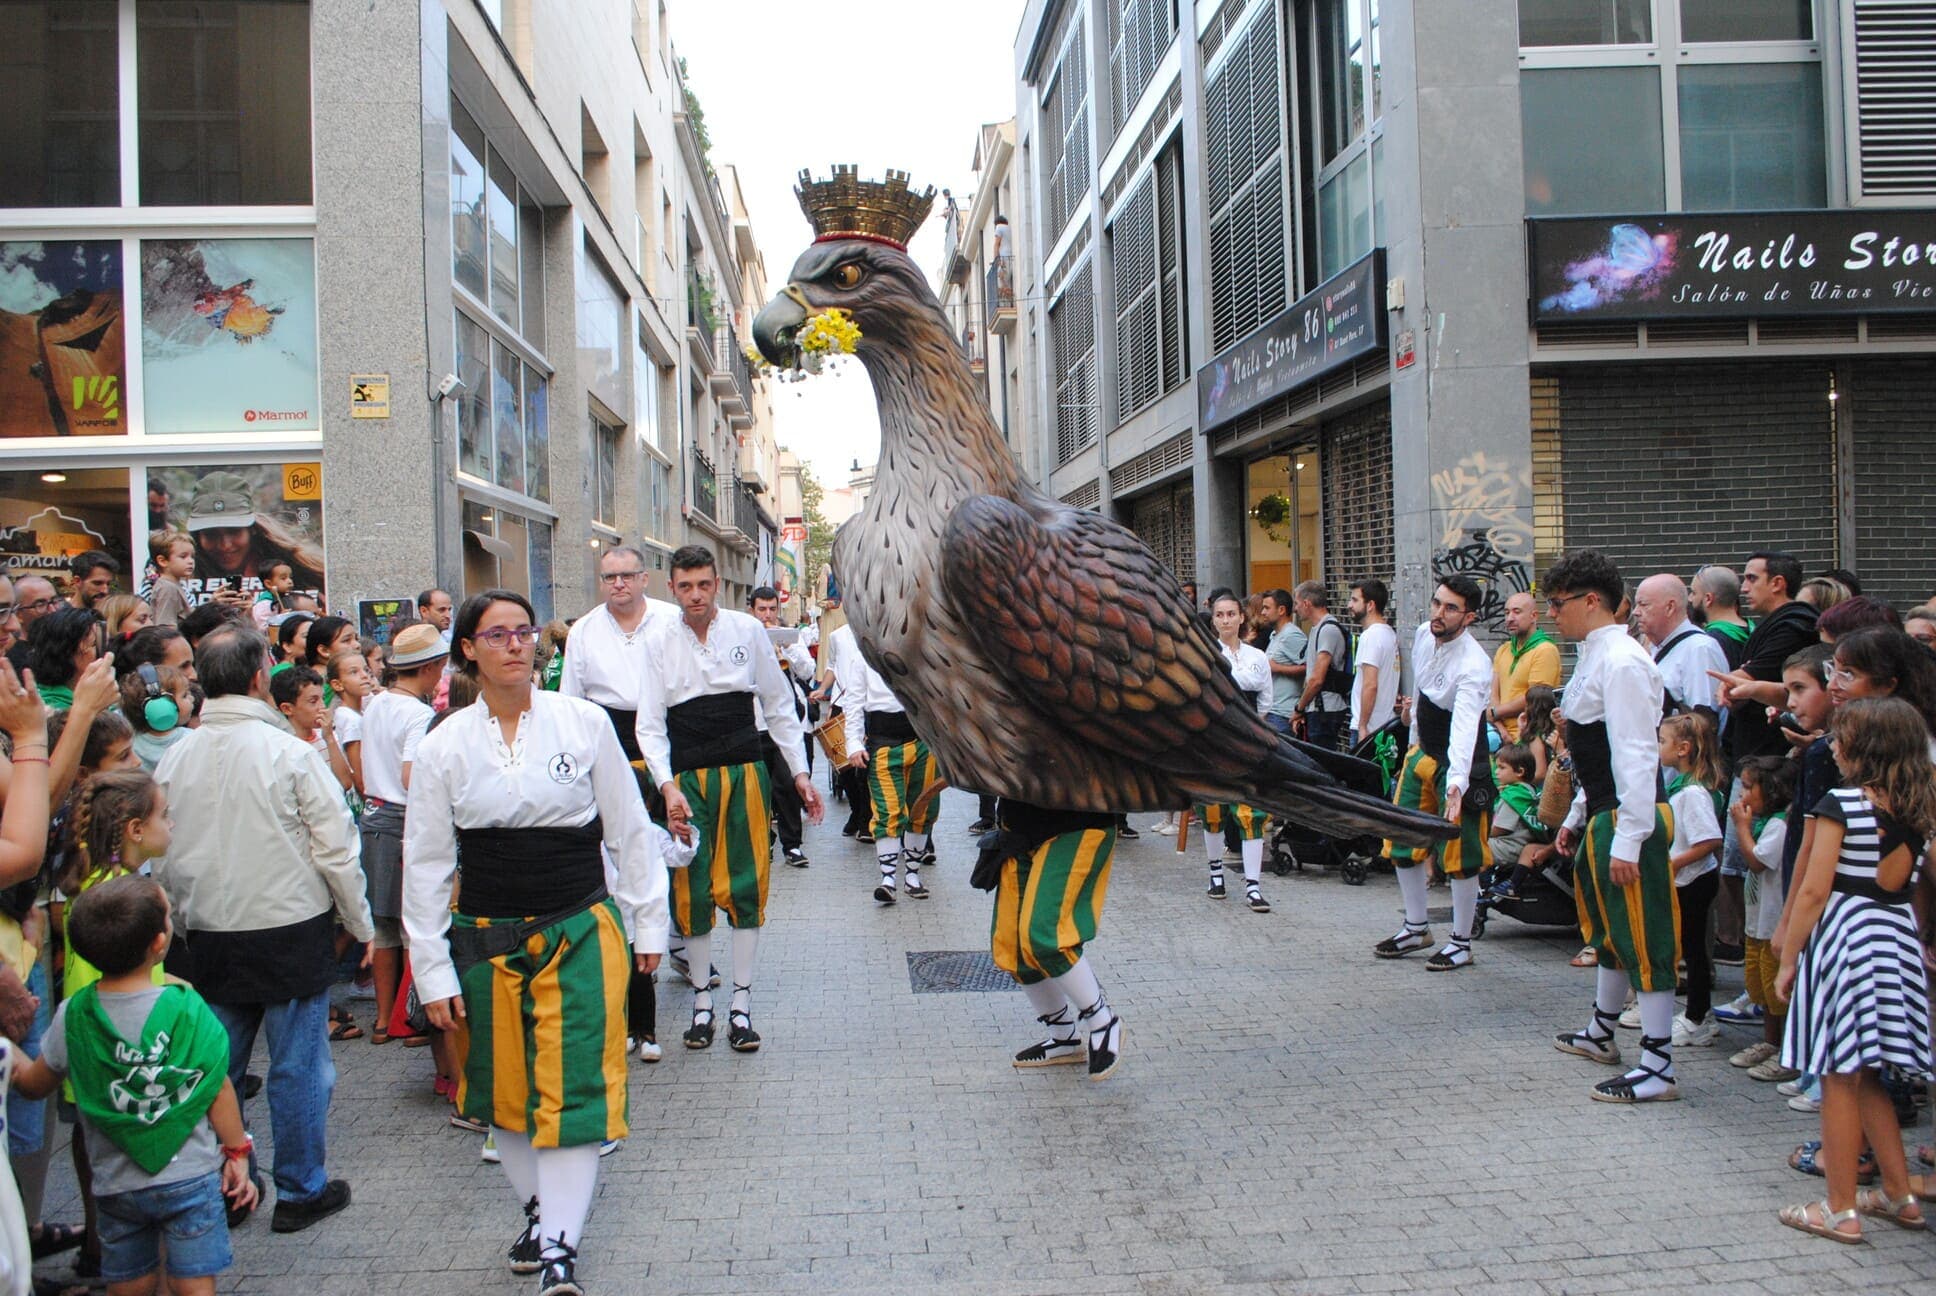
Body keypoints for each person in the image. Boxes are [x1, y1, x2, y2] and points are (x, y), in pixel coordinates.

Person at [404, 590, 671, 1295]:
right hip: (486, 938)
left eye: (524, 632)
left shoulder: (582, 723)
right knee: (502, 1095)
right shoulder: (444, 746)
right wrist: (431, 971)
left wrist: (649, 923)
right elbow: (427, 868)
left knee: (575, 1086)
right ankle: (542, 1212)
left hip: (579, 925)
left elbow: (629, 831)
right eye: (497, 635)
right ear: (467, 649)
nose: (517, 645)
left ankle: (560, 1246)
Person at [152, 627, 372, 1233]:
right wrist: (358, 921)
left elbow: (161, 851)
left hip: (206, 932)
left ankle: (221, 1180)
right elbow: (335, 849)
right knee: (299, 1067)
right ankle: (300, 1188)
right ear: (257, 678)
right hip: (287, 926)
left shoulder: (177, 753)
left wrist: (174, 917)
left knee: (214, 1066)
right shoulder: (289, 753)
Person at [11, 876, 257, 1296]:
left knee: (131, 1282)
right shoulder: (186, 1006)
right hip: (190, 1175)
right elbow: (217, 1089)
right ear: (160, 944)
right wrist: (236, 1153)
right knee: (194, 1283)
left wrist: (9, 1056)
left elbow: (35, 1085)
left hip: (115, 1181)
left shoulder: (74, 1015)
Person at [638, 547, 821, 1054]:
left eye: (703, 584)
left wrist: (801, 775)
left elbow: (780, 706)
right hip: (688, 780)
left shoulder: (746, 631)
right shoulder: (656, 640)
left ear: (717, 583)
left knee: (745, 884)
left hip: (745, 773)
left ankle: (740, 1004)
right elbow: (649, 725)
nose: (695, 595)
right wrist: (667, 785)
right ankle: (702, 1003)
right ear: (671, 588)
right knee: (691, 889)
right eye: (684, 586)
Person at [1776, 698, 1933, 1242]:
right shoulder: (1916, 809)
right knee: (1870, 1077)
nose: (1833, 747)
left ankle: (1839, 1208)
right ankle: (1900, 1194)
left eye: (1841, 738)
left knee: (1838, 1075)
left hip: (1847, 939)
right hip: (1895, 940)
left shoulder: (1841, 804)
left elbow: (1816, 888)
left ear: (1863, 749)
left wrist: (1790, 954)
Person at [1545, 550, 1681, 1104]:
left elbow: (1635, 753)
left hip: (1628, 815)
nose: (1554, 613)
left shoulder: (1622, 660)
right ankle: (1603, 1032)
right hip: (1607, 811)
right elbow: (1594, 751)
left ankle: (1659, 1066)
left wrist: (1629, 834)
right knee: (1610, 933)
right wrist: (1580, 816)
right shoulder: (1598, 655)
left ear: (1591, 600)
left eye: (1558, 604)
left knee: (1645, 937)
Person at [558, 546, 676, 1062]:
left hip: (666, 743)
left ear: (644, 578)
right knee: (619, 872)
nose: (619, 585)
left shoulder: (669, 621)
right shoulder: (585, 630)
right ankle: (632, 1007)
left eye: (627, 575)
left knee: (666, 858)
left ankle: (678, 948)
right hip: (608, 745)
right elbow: (571, 702)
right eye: (609, 577)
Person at [1374, 577, 1494, 970]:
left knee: (1461, 855)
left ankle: (1461, 942)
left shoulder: (1475, 665)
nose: (1439, 613)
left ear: (1470, 616)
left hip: (1458, 765)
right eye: (1437, 603)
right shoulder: (1426, 633)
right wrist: (1411, 731)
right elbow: (1423, 689)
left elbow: (1464, 728)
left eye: (1451, 608)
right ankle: (1416, 927)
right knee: (1402, 839)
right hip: (1420, 752)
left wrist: (1457, 784)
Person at [1710, 551, 1821, 966]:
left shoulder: (1794, 624)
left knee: (1751, 865)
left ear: (1777, 583)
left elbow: (1755, 677)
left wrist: (1747, 686)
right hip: (1752, 754)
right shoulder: (1770, 626)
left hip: (1768, 761)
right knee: (1740, 865)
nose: (1744, 587)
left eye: (1752, 578)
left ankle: (1749, 950)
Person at [356, 624, 443, 1048]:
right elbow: (412, 775)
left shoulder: (375, 703)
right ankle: (412, 1020)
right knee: (413, 926)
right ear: (427, 669)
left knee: (383, 927)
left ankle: (382, 1019)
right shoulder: (419, 715)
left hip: (373, 816)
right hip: (404, 820)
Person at [1195, 592, 1273, 912]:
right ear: (1213, 620)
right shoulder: (1205, 655)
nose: (1226, 619)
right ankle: (1216, 874)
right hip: (1214, 739)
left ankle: (1253, 885)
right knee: (1213, 810)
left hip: (1248, 740)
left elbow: (1266, 702)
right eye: (1220, 615)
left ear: (1242, 617)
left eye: (1231, 614)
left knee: (1251, 811)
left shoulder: (1258, 657)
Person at [1654, 712, 1726, 1047]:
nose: (1659, 747)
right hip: (1685, 879)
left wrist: (1675, 863)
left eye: (1662, 741)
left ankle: (1699, 1017)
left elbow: (1710, 840)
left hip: (1695, 879)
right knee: (1689, 948)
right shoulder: (1678, 786)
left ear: (1683, 748)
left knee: (1696, 952)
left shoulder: (1693, 792)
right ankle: (1696, 1014)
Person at [1727, 756, 1792, 1071]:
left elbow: (1756, 861)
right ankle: (1770, 1041)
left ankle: (1786, 1048)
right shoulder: (1765, 823)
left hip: (1773, 921)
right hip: (1757, 921)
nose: (1742, 795)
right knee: (1760, 984)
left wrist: (1741, 827)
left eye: (1749, 787)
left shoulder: (1779, 824)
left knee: (1776, 986)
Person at [748, 587, 812, 869]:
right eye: (761, 609)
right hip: (753, 725)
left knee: (787, 785)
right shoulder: (744, 638)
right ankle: (763, 840)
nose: (767, 615)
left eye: (772, 609)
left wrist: (785, 649)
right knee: (758, 789)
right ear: (752, 610)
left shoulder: (790, 638)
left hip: (784, 726)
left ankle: (792, 844)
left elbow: (808, 670)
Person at [181, 471, 325, 596]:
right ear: (197, 537)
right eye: (211, 534)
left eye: (234, 531)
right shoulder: (181, 579)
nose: (225, 545)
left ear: (252, 529)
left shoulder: (299, 570)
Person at [1632, 573, 1727, 720]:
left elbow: (1703, 722)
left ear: (1670, 607)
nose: (1635, 612)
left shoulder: (1700, 650)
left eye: (1643, 604)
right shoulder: (1654, 648)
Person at [1487, 592, 1560, 742]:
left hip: (1531, 737)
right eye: (1507, 613)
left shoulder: (1545, 649)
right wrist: (1500, 728)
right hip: (1500, 736)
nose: (1510, 618)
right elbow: (1493, 693)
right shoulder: (1504, 649)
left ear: (1534, 616)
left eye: (1517, 612)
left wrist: (1495, 713)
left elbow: (1536, 698)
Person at [1290, 581, 1351, 752]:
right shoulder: (1318, 629)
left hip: (1325, 710)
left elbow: (1316, 679)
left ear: (1307, 603)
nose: (1295, 609)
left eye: (1296, 603)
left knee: (1323, 762)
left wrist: (1299, 708)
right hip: (1318, 708)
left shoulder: (1327, 630)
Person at [1347, 579, 1399, 747]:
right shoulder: (1389, 633)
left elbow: (1370, 684)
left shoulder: (1371, 636)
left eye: (1355, 600)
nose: (1349, 605)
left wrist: (1362, 726)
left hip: (1369, 728)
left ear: (1370, 605)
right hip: (1385, 724)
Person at [27, 607, 105, 711]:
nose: (108, 654)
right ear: (67, 652)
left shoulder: (105, 694)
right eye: (98, 645)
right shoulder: (48, 709)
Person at [120, 664, 190, 773]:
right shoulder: (190, 738)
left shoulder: (129, 744)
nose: (192, 698)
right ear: (161, 707)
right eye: (185, 695)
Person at [1258, 590, 1306, 736]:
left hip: (1284, 713)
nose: (1263, 612)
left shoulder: (1292, 635)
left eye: (1267, 608)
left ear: (1281, 610)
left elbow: (1309, 667)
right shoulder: (1274, 635)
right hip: (1271, 710)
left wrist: (1276, 668)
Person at [1689, 565, 1751, 669]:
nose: (1690, 599)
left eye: (1694, 593)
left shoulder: (1707, 644)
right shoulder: (1757, 633)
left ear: (1708, 599)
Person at [146, 533, 195, 629]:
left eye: (192, 556)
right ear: (163, 561)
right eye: (183, 556)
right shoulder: (167, 588)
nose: (191, 561)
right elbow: (166, 627)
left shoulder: (175, 585)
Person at [250, 564, 294, 631]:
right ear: (268, 584)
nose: (290, 581)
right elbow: (262, 628)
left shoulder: (285, 598)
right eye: (283, 578)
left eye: (290, 577)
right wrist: (280, 619)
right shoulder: (265, 604)